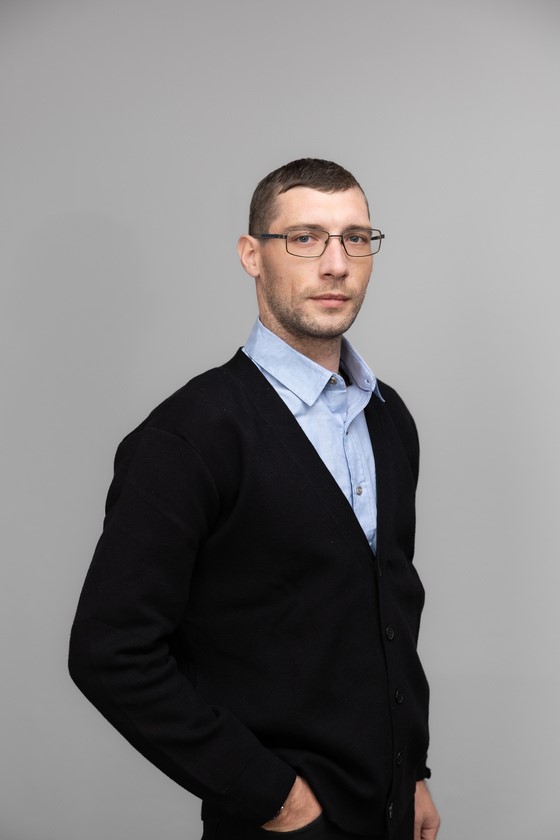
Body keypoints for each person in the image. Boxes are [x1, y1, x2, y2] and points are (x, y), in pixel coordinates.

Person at [69, 158, 440, 840]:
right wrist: (275, 799)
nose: (336, 264)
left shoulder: (389, 418)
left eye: (356, 238)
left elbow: (389, 606)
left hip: (391, 814)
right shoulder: (191, 436)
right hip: (280, 824)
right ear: (252, 255)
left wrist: (411, 771)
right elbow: (108, 650)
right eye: (305, 238)